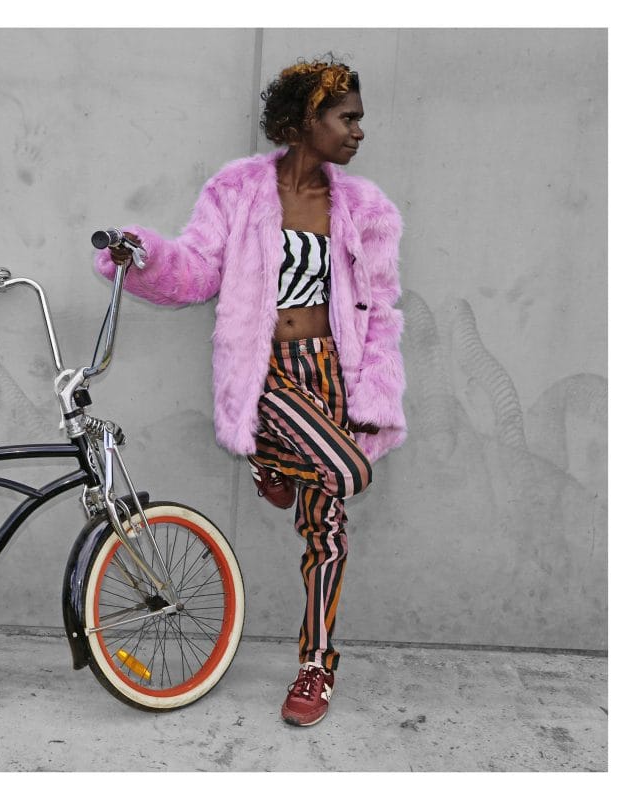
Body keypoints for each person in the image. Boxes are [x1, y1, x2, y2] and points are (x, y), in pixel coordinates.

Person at [95, 55, 406, 727]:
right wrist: (139, 254)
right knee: (349, 471)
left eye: (360, 119)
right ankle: (270, 452)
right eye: (346, 117)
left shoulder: (365, 208)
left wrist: (375, 398)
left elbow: (379, 311)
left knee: (327, 524)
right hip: (265, 371)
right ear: (304, 121)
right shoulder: (237, 190)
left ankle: (316, 665)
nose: (358, 132)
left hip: (334, 372)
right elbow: (196, 270)